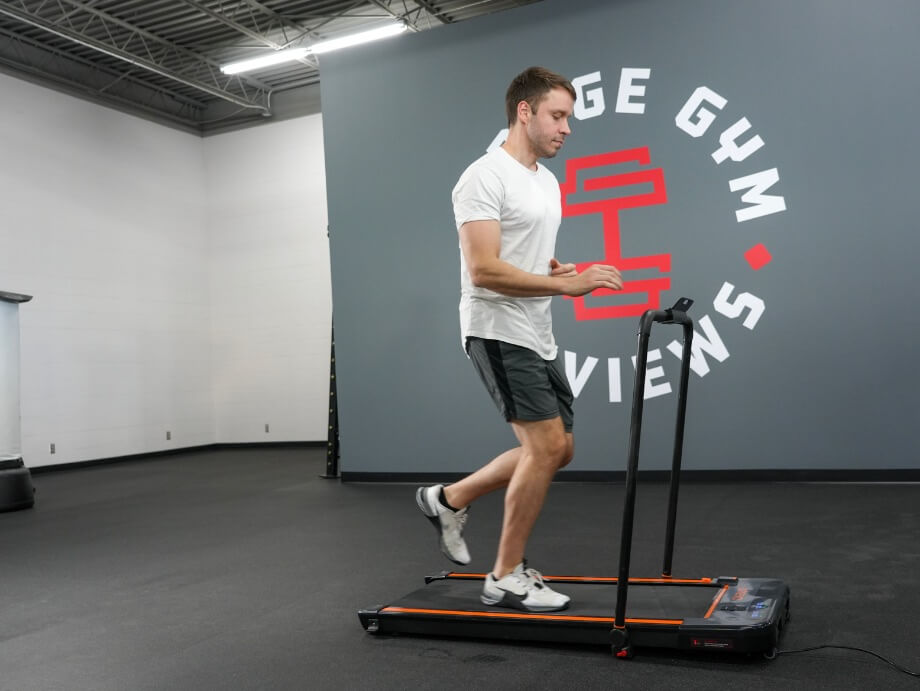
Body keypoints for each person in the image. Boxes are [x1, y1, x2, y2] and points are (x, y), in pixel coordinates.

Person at [416, 66, 623, 613]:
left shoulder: (546, 180)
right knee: (546, 446)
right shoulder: (483, 177)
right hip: (496, 327)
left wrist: (554, 270)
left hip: (537, 329)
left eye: (569, 118)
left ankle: (449, 499)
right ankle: (504, 575)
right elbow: (484, 269)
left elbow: (521, 254)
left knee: (561, 449)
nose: (567, 129)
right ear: (524, 112)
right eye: (558, 116)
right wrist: (568, 285)